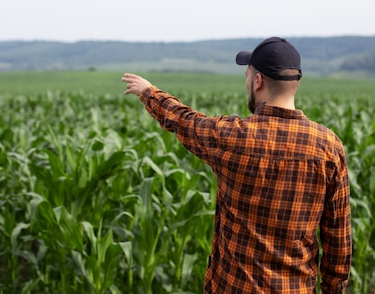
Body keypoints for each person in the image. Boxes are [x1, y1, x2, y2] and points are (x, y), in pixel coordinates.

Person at [121, 37, 351, 294]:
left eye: (247, 75)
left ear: (257, 81)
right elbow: (338, 241)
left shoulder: (232, 136)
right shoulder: (329, 147)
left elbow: (185, 121)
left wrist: (148, 92)